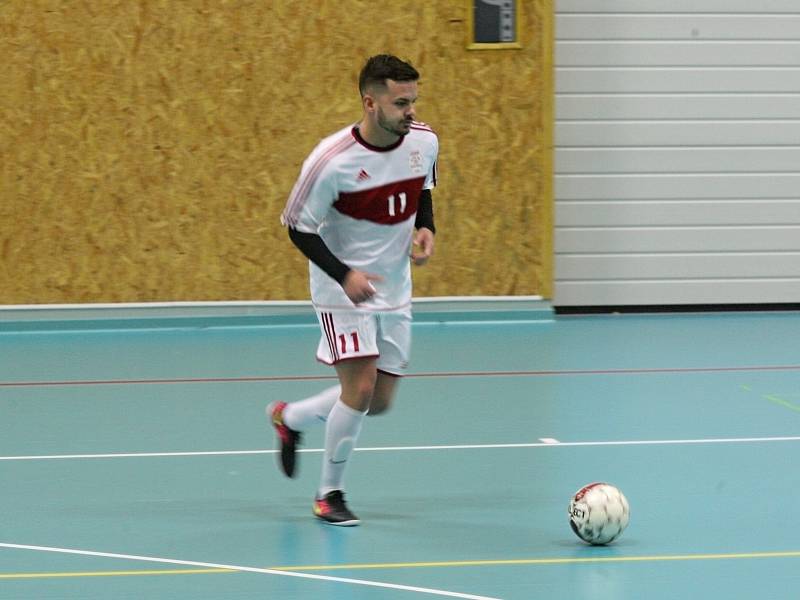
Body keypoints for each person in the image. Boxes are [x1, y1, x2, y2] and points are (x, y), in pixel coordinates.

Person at [267, 54, 439, 526]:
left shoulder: (423, 141)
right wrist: (345, 275)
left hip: (394, 286)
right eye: (400, 102)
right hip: (340, 289)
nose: (411, 111)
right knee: (359, 388)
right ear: (370, 102)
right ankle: (329, 494)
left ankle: (290, 418)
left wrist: (426, 229)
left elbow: (423, 188)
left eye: (414, 101)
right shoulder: (331, 162)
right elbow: (296, 227)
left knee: (378, 401)